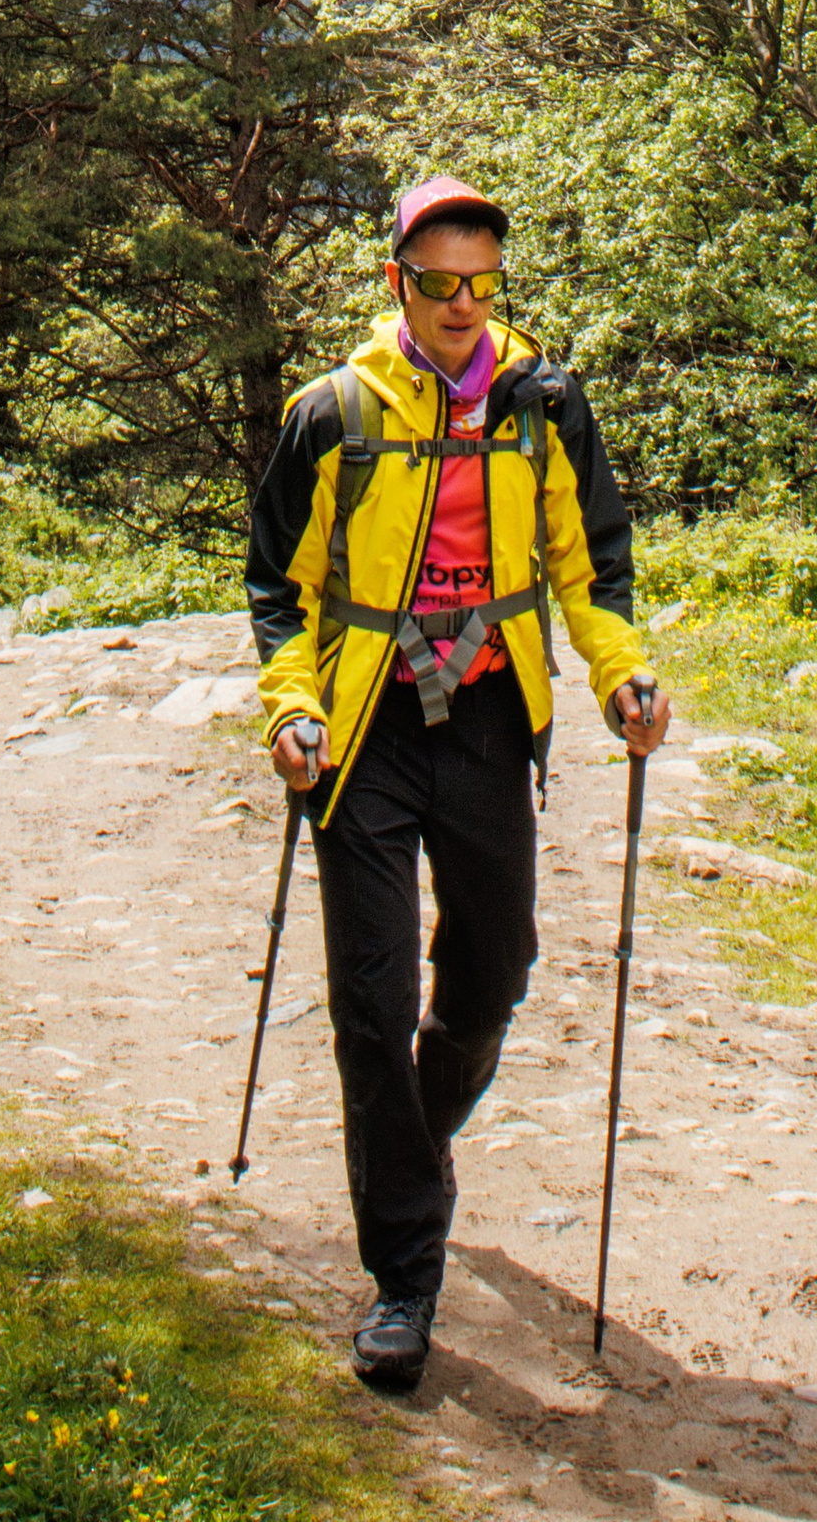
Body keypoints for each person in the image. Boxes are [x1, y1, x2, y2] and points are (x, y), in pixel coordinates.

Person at [245, 172, 667, 1393]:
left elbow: (591, 569)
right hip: (365, 731)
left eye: (484, 282)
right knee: (369, 1007)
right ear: (399, 285)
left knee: (492, 976)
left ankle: (409, 1152)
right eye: (440, 283)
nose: (463, 304)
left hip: (488, 721)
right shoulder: (330, 413)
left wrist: (622, 678)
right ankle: (403, 1279)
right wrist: (292, 707)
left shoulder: (547, 406)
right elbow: (279, 583)